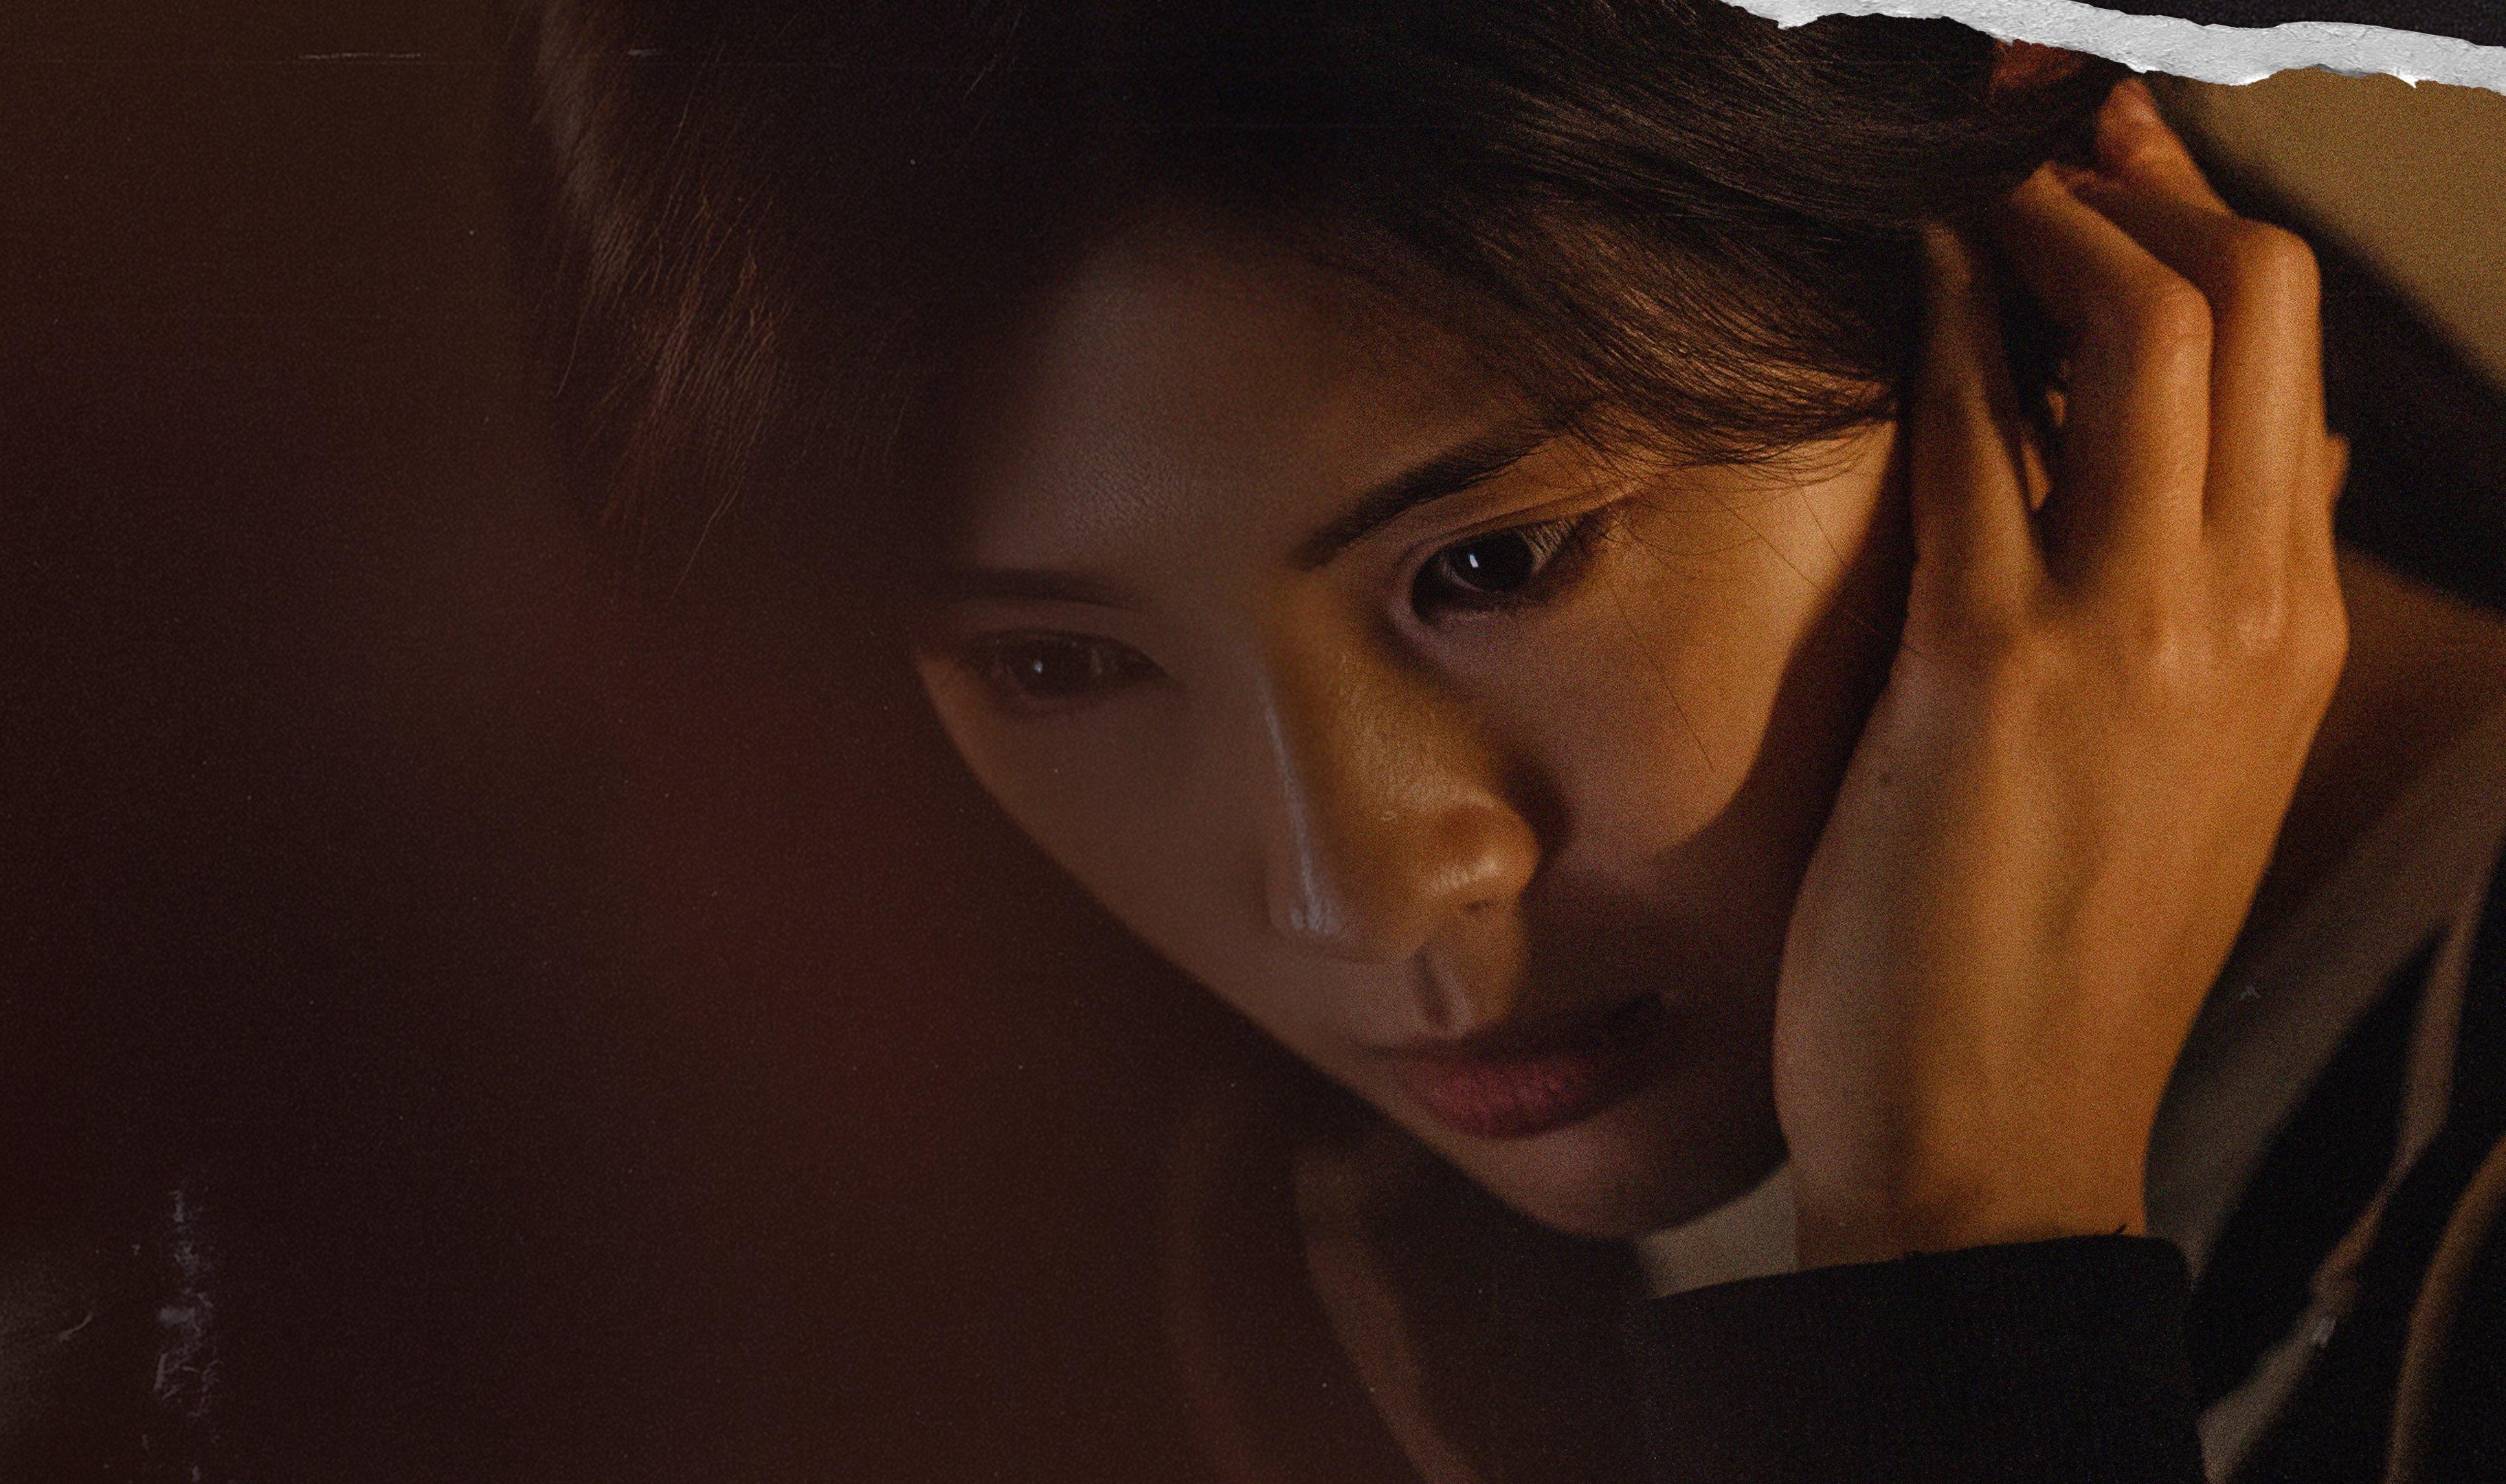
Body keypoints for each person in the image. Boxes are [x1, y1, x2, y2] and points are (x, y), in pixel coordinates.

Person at [512, 2, 2506, 1478]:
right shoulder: (1314, 1265)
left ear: (2044, 219)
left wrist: (1959, 1250)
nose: (1357, 893)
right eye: (1055, 666)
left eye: (1492, 564)